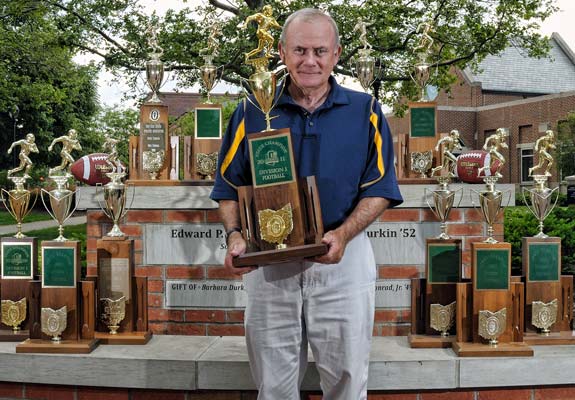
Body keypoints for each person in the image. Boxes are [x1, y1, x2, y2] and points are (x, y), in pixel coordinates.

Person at [211, 8, 403, 399]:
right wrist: (234, 236)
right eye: (299, 50)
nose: (309, 61)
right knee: (274, 386)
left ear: (337, 54)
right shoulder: (251, 109)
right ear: (282, 52)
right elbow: (228, 186)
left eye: (320, 50)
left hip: (343, 261)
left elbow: (381, 187)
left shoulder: (365, 110)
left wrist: (344, 235)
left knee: (348, 380)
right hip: (270, 264)